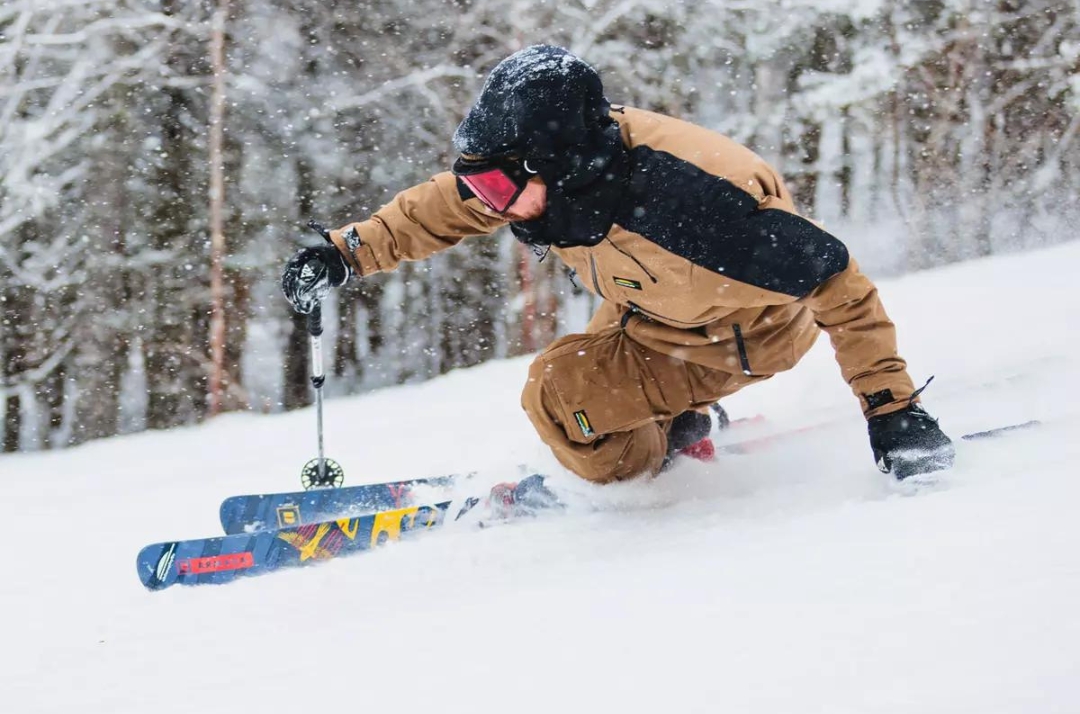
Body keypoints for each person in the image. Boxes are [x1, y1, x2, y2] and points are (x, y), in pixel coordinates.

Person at [282, 44, 954, 493]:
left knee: (557, 395)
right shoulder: (562, 173)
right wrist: (346, 252)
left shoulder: (694, 206)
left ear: (554, 163)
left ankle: (649, 456)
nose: (489, 205)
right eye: (482, 187)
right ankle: (673, 423)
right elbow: (447, 205)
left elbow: (838, 282)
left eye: (497, 189)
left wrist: (891, 409)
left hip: (735, 331)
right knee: (578, 385)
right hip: (650, 304)